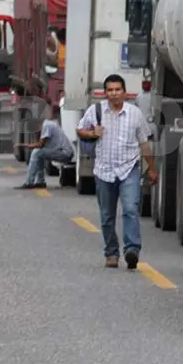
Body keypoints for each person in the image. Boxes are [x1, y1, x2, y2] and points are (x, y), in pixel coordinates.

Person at [76, 74, 158, 270]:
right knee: (107, 215)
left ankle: (132, 250)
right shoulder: (96, 111)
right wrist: (91, 133)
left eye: (117, 90)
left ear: (124, 92)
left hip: (129, 168)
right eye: (110, 90)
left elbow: (144, 143)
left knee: (130, 209)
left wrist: (152, 168)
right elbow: (80, 130)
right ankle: (111, 253)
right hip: (104, 170)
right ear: (105, 93)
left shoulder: (135, 114)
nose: (114, 94)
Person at [15, 104, 73, 189]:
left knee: (36, 152)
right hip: (61, 151)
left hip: (64, 153)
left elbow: (40, 144)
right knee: (39, 154)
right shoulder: (46, 125)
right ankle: (40, 181)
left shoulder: (47, 125)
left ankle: (29, 182)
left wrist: (24, 145)